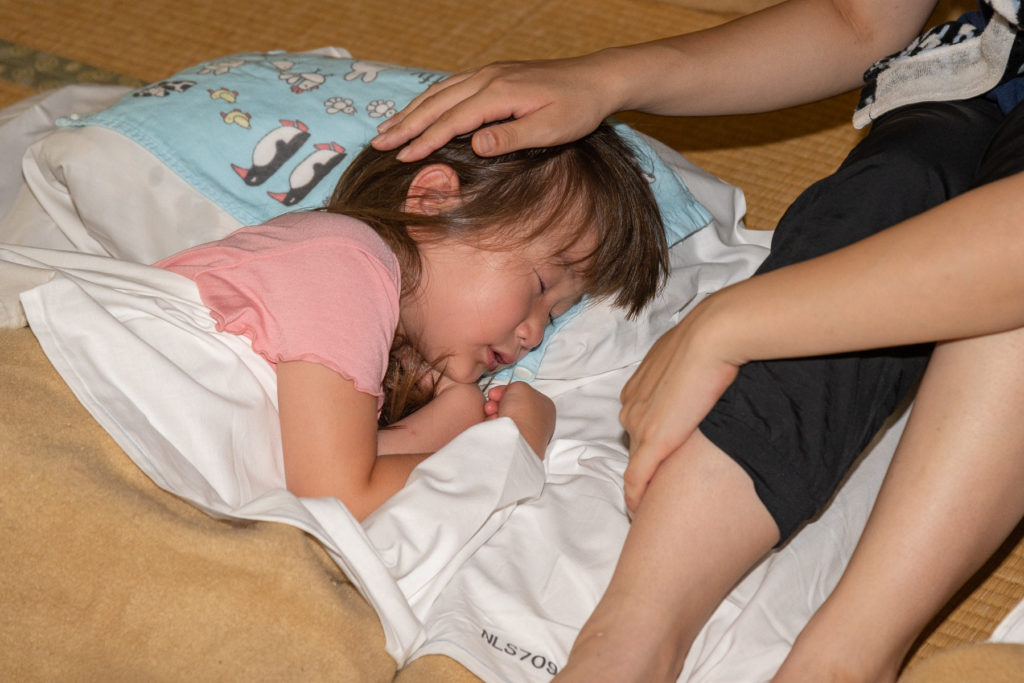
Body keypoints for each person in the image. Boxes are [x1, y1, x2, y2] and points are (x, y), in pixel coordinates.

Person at [371, 0, 1024, 680]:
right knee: (885, 192)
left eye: (551, 298)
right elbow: (856, 18)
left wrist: (729, 323)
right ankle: (626, 643)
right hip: (979, 69)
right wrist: (605, 78)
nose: (535, 331)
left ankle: (843, 659)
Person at [156, 122, 669, 521]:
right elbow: (335, 499)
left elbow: (301, 474)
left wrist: (455, 412)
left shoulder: (376, 346)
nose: (534, 334)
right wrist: (513, 445)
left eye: (555, 314)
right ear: (434, 202)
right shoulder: (345, 260)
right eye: (540, 285)